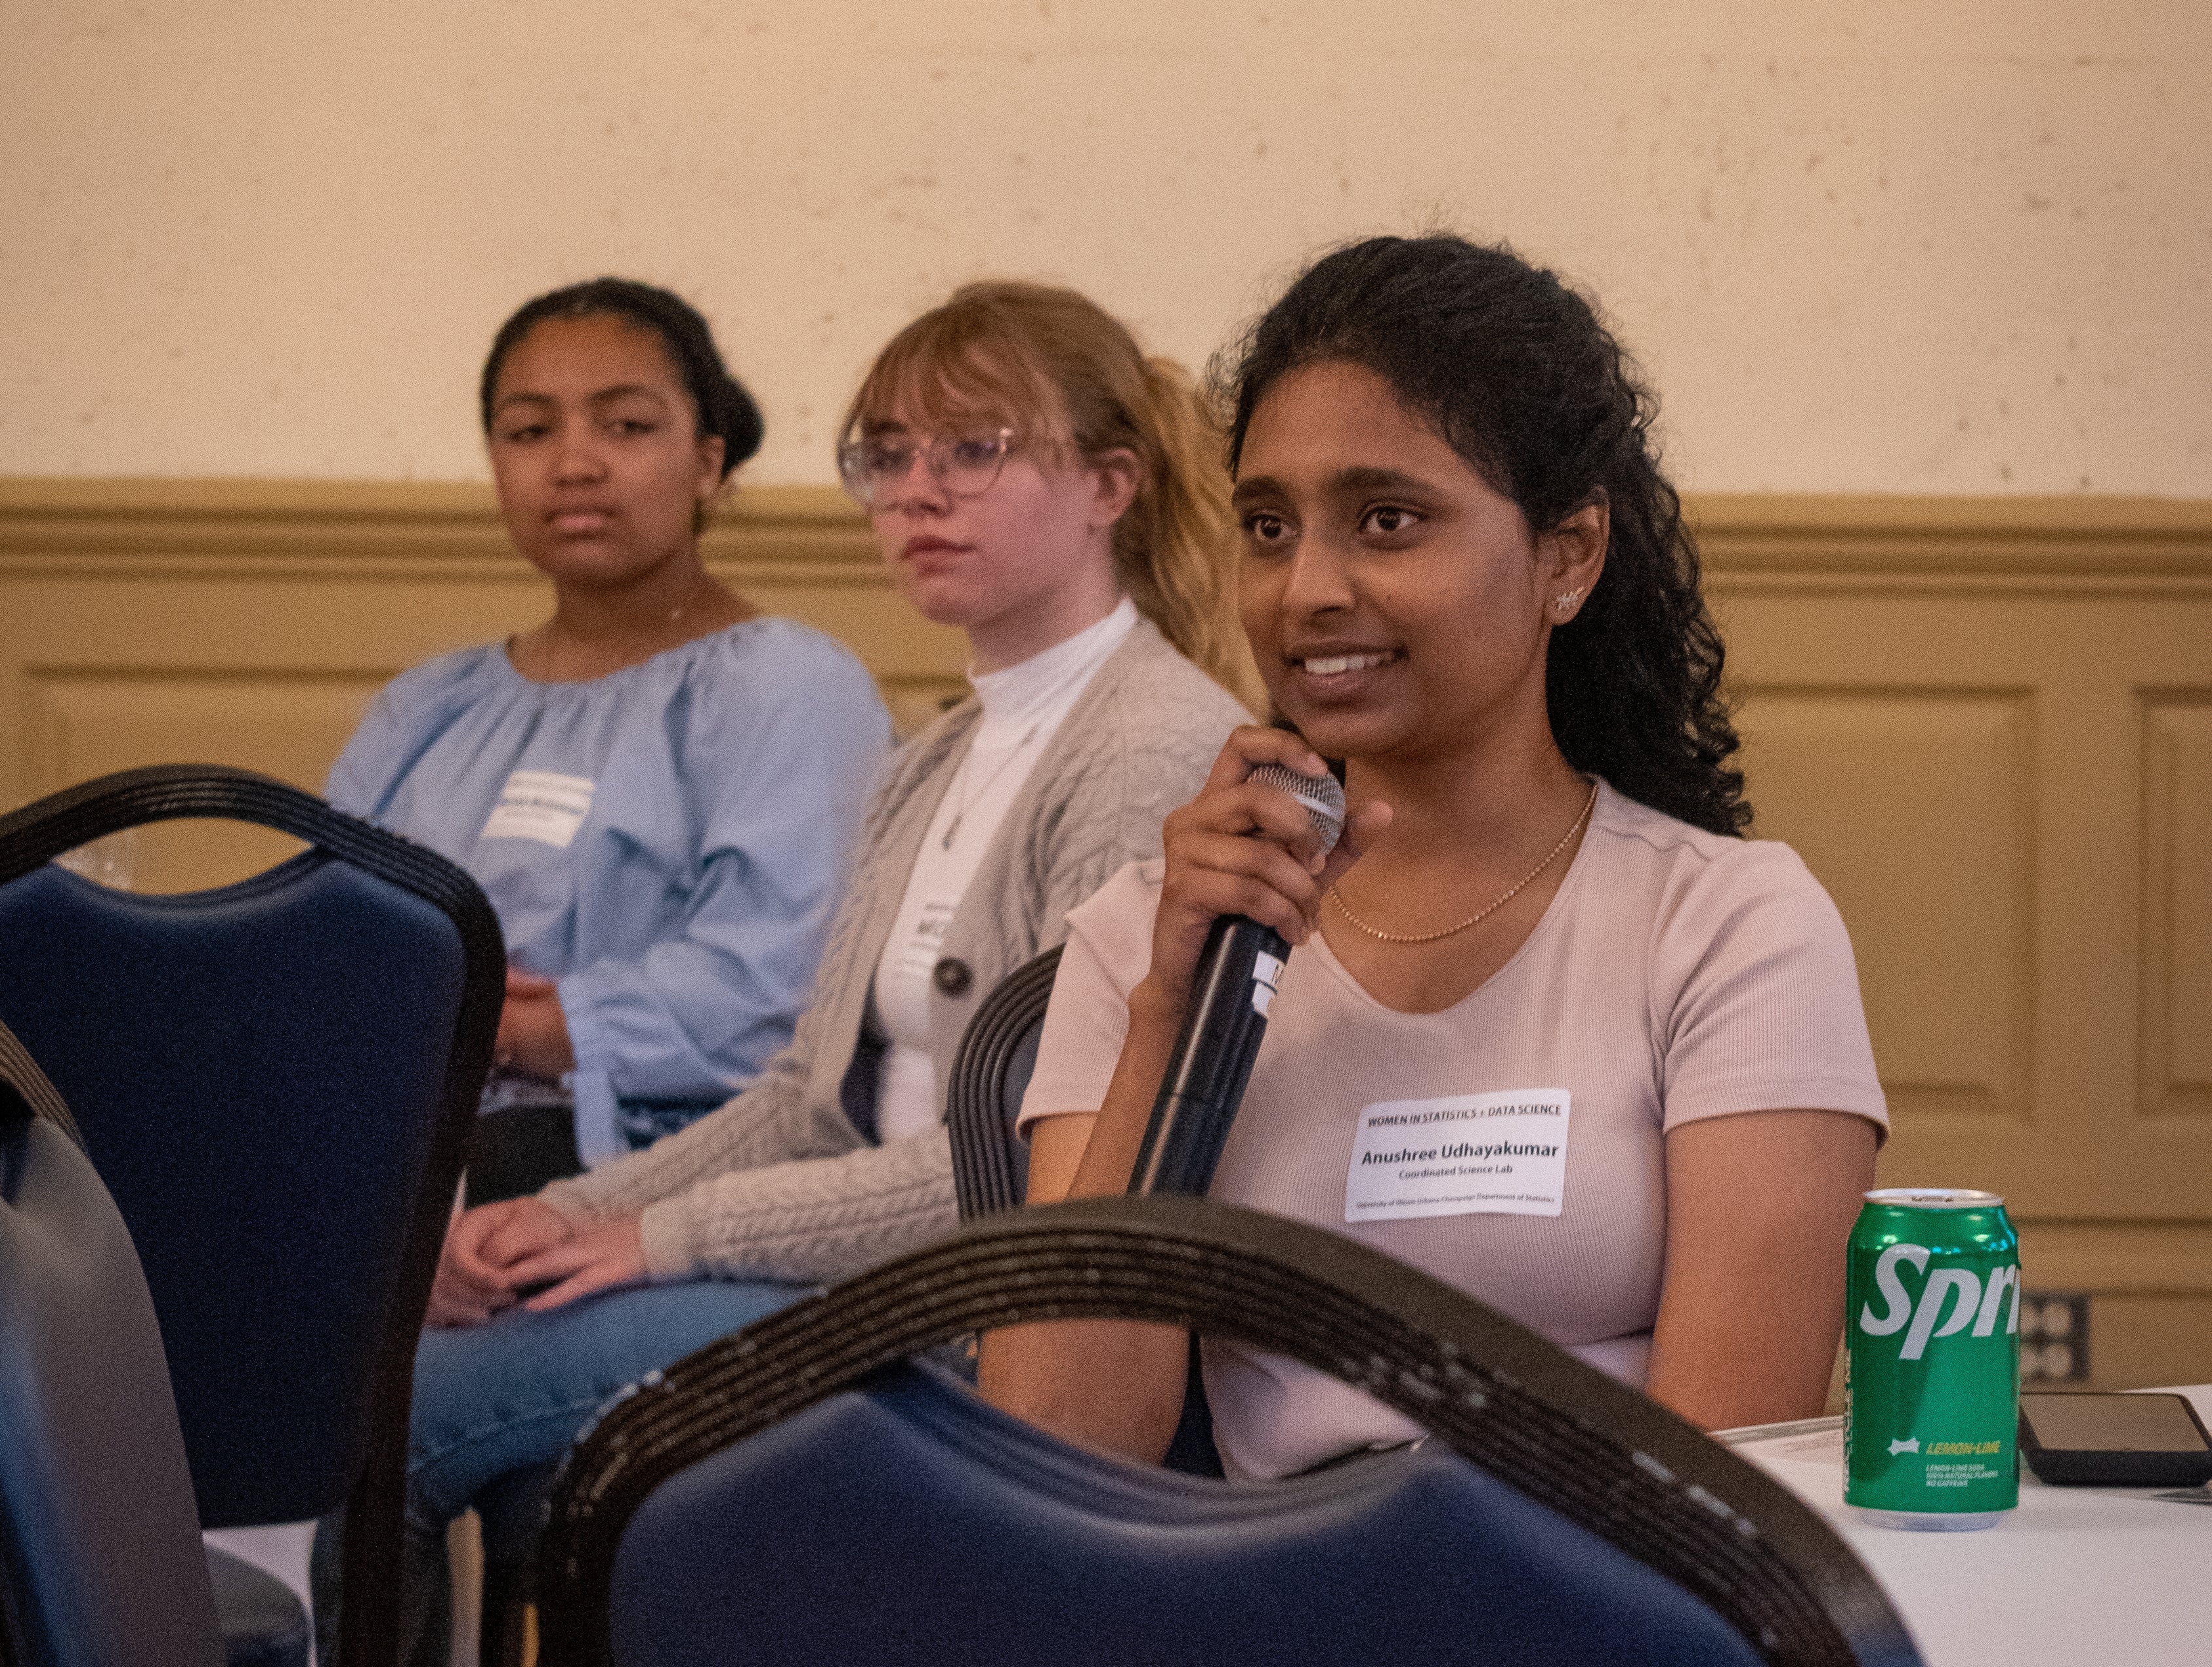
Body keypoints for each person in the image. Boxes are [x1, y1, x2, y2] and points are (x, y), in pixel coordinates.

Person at [985, 233, 1888, 1473]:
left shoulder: (1729, 925)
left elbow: (1724, 1487)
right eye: (1267, 524)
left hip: (1604, 1619)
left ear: (1567, 557)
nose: (1305, 588)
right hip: (1266, 1620)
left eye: (1387, 519)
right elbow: (1059, 1453)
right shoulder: (1152, 934)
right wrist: (1173, 1016)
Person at [419, 278, 1250, 1565]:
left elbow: (1035, 1174)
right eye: (887, 456)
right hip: (867, 1281)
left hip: (984, 1332)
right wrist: (581, 1211)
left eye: (973, 449)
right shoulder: (942, 752)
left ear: (1109, 483)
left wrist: (659, 1238)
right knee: (418, 1348)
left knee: (412, 1407)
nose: (915, 492)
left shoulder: (1151, 749)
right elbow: (807, 1097)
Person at [329, 278, 892, 1189]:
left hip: (660, 1176)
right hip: (393, 1151)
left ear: (709, 462)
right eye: (530, 430)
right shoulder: (424, 709)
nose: (575, 463)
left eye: (626, 426)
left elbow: (778, 994)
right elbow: (330, 950)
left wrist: (512, 1033)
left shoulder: (789, 687)